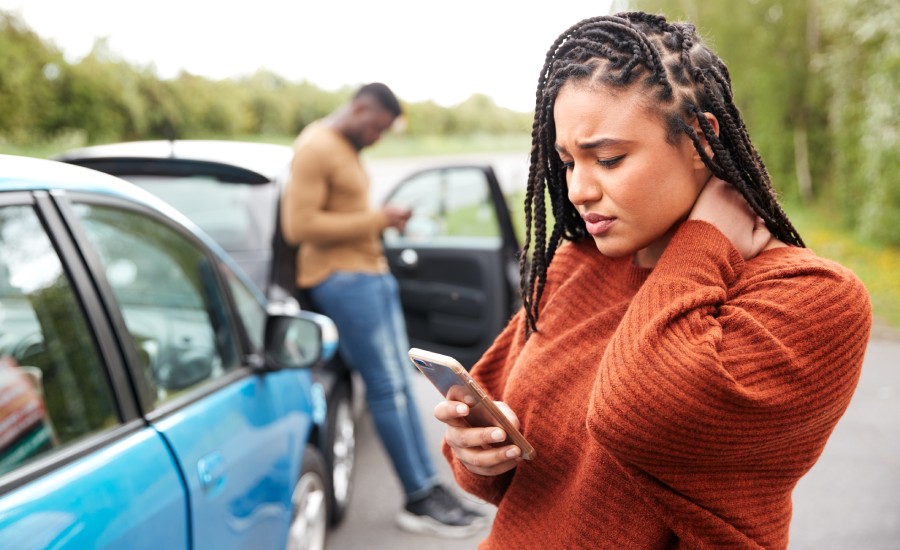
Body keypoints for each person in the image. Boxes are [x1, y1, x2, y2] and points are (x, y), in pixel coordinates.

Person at [434, 12, 872, 549]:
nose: (577, 190)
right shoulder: (577, 264)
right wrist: (479, 451)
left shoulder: (815, 298)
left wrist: (703, 241)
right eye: (568, 162)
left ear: (699, 140)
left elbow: (637, 415)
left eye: (609, 159)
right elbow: (512, 479)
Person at [279, 82, 485, 537]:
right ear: (360, 108)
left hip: (369, 276)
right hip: (343, 280)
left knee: (401, 386)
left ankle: (431, 487)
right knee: (387, 388)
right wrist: (379, 219)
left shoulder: (345, 147)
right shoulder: (316, 146)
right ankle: (418, 498)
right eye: (375, 127)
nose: (376, 137)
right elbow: (299, 225)